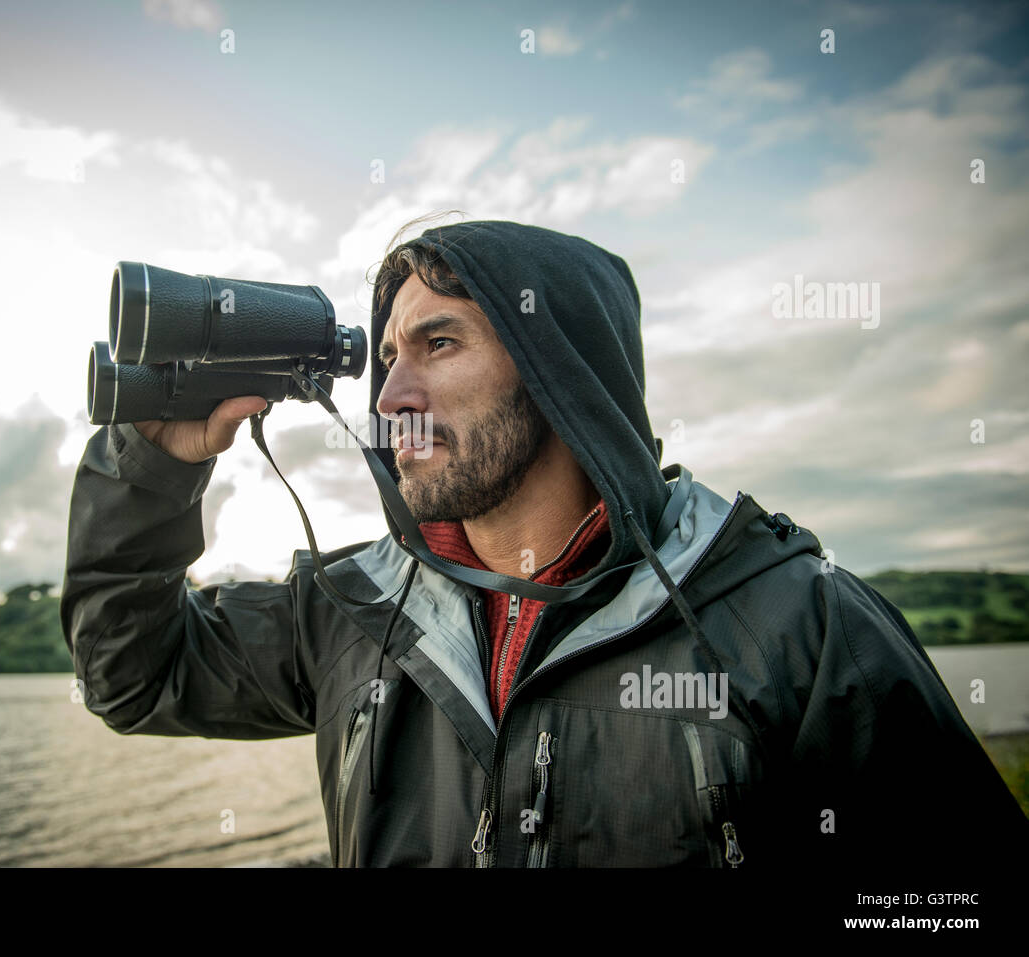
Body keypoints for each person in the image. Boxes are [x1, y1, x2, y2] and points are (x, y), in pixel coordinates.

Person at [59, 217, 1027, 868]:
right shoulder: (350, 610)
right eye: (389, 356)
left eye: (439, 345)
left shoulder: (794, 617)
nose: (391, 395)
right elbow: (133, 675)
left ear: (562, 369)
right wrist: (152, 466)